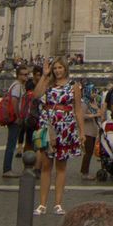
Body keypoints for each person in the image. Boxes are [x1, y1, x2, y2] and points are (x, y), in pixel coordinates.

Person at [34, 59, 78, 215]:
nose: (58, 70)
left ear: (65, 69)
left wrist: (82, 132)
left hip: (65, 126)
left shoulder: (73, 85)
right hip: (48, 125)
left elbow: (77, 109)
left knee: (61, 167)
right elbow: (36, 94)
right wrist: (44, 76)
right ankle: (42, 204)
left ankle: (58, 203)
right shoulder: (48, 84)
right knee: (46, 166)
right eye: (55, 68)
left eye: (60, 68)